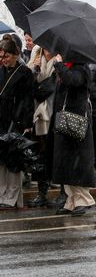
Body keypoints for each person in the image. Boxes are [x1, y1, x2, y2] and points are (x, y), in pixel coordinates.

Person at [51, 54, 96, 216]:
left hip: (76, 122)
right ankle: (72, 200)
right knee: (66, 163)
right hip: (65, 122)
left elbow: (73, 81)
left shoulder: (81, 68)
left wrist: (59, 65)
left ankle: (84, 200)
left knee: (78, 164)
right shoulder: (69, 66)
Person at [0, 36, 34, 210]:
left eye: (6, 56)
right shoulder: (1, 70)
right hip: (1, 118)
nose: (3, 60)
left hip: (17, 119)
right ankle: (2, 194)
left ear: (15, 54)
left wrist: (27, 122)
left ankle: (12, 198)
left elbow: (28, 99)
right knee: (1, 159)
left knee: (13, 159)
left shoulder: (24, 73)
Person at [26, 46, 58, 207]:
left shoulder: (60, 60)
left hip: (55, 111)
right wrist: (34, 69)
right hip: (38, 114)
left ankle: (60, 191)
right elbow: (29, 87)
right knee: (41, 154)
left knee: (54, 152)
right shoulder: (35, 59)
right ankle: (42, 192)